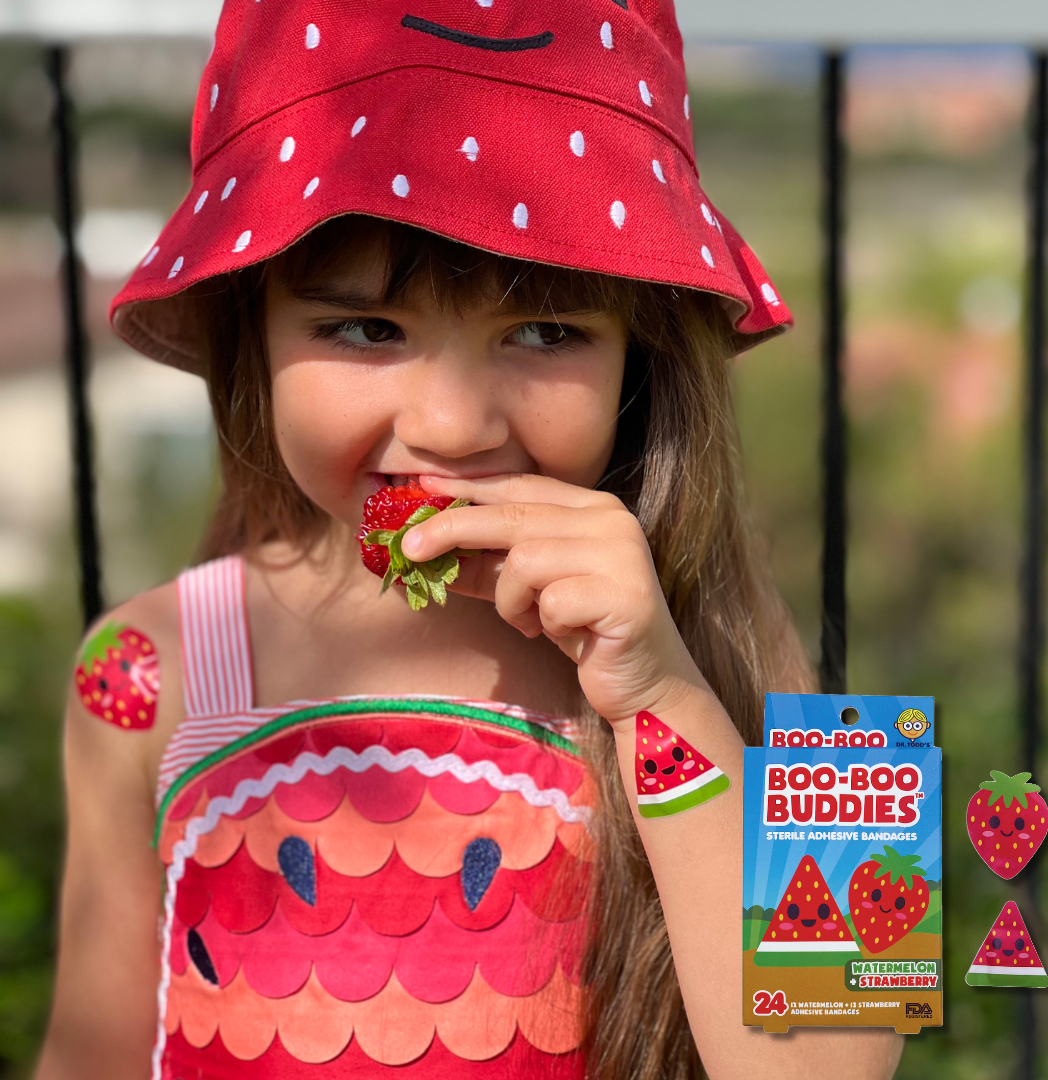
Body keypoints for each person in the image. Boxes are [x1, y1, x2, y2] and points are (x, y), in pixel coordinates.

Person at [36, 1, 903, 1078]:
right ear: (246, 330)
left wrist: (663, 695)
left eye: (545, 330)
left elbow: (847, 1053)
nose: (451, 425)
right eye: (365, 328)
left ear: (643, 353)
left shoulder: (740, 633)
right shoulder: (139, 666)